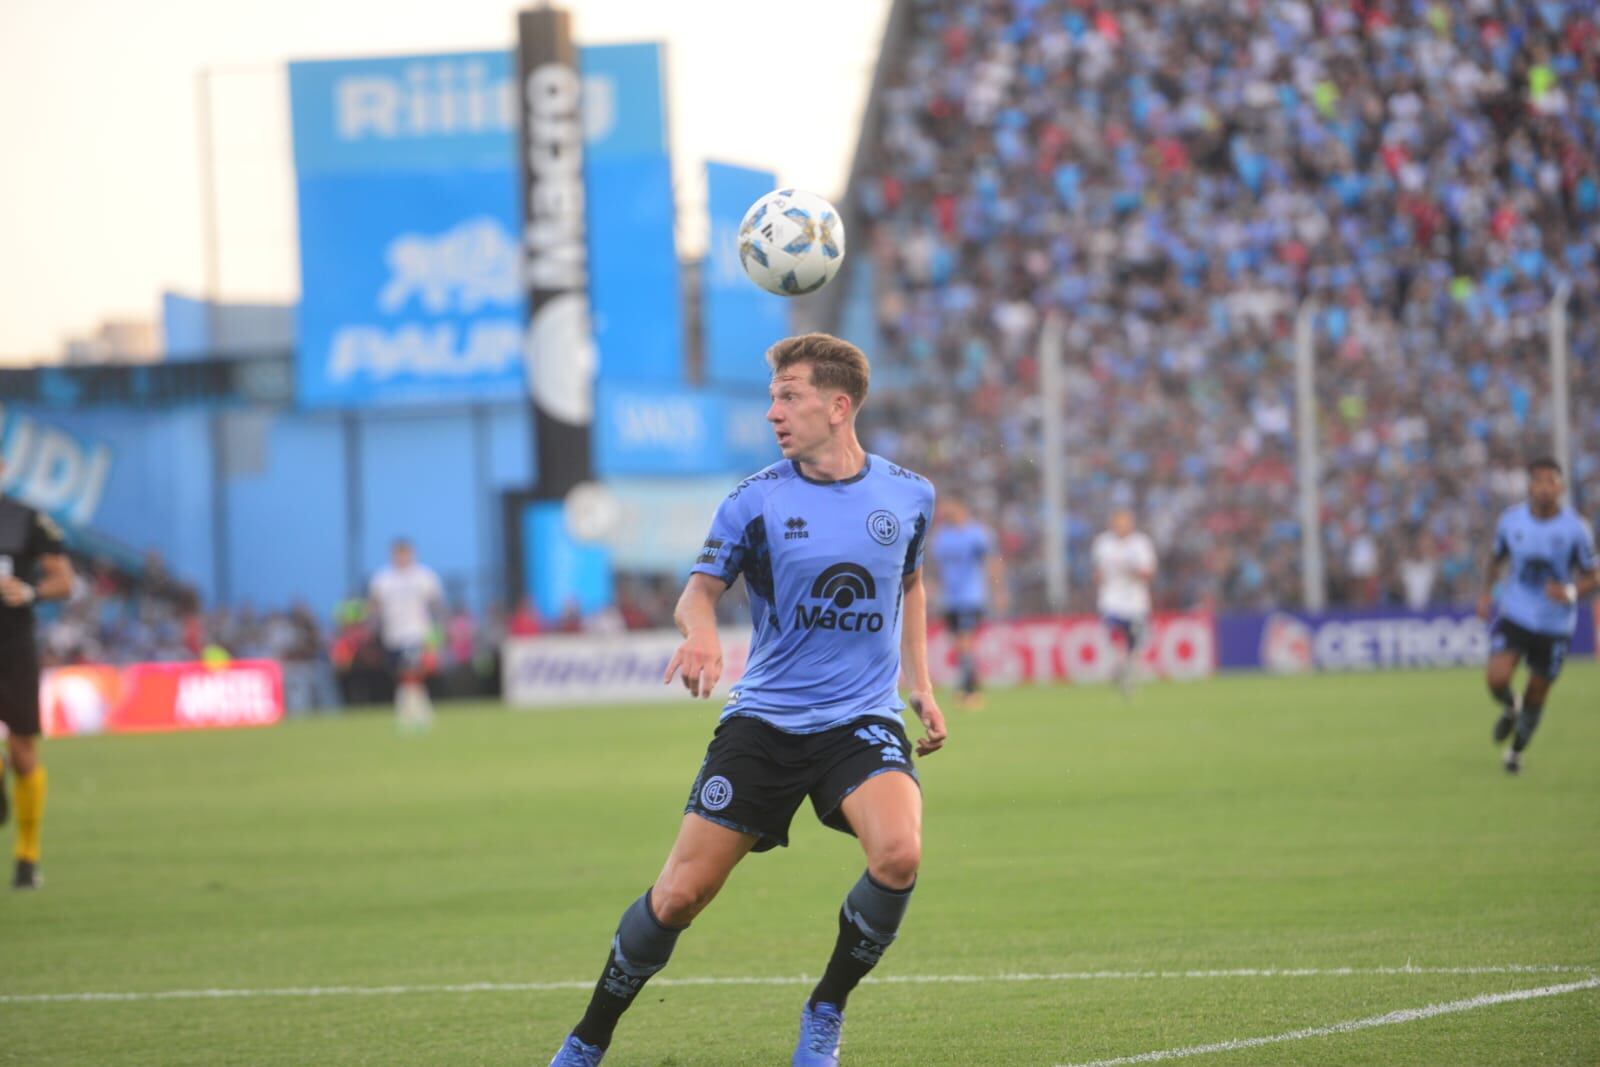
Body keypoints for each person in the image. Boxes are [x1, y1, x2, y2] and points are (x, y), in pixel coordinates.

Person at [547, 333, 947, 1067]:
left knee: (899, 854)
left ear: (838, 404)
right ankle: (587, 1038)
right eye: (772, 396)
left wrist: (918, 683)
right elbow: (697, 593)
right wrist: (700, 634)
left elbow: (910, 582)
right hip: (764, 722)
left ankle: (825, 1007)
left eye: (787, 395)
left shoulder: (909, 495)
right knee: (677, 898)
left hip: (859, 720)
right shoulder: (754, 500)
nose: (773, 412)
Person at [1477, 458, 1597, 775]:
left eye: (1551, 481)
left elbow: (1593, 574)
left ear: (1561, 487)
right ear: (1529, 486)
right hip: (1517, 611)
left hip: (1555, 623)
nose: (1545, 487)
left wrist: (1570, 591)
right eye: (1539, 481)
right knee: (1496, 677)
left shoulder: (1576, 528)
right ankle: (1508, 704)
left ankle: (1515, 752)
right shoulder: (1511, 521)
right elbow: (1495, 558)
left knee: (1537, 691)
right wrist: (1486, 594)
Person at [0, 459, 76, 889]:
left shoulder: (27, 520)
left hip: (12, 645)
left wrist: (31, 591)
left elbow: (64, 580)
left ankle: (27, 856)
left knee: (24, 752)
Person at [927, 496, 1005, 708]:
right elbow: (935, 567)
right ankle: (972, 684)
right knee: (959, 645)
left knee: (965, 642)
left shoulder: (977, 534)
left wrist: (998, 590)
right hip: (949, 599)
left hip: (971, 596)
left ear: (960, 507)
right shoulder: (942, 536)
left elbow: (991, 561)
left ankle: (968, 689)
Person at [367, 539, 444, 731]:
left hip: (416, 632)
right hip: (393, 634)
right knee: (402, 674)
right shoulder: (382, 579)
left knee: (412, 672)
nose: (402, 557)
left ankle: (411, 713)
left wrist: (437, 634)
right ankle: (417, 712)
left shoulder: (424, 576)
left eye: (405, 553)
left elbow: (436, 605)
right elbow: (374, 606)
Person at [1091, 509, 1158, 697]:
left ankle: (1127, 675)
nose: (1121, 526)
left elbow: (1149, 573)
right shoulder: (1103, 543)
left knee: (1134, 644)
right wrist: (1100, 576)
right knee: (1113, 634)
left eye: (1124, 522)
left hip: (1136, 602)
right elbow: (1097, 573)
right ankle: (1119, 667)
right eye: (1118, 522)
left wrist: (1132, 570)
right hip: (1111, 599)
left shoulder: (1141, 543)